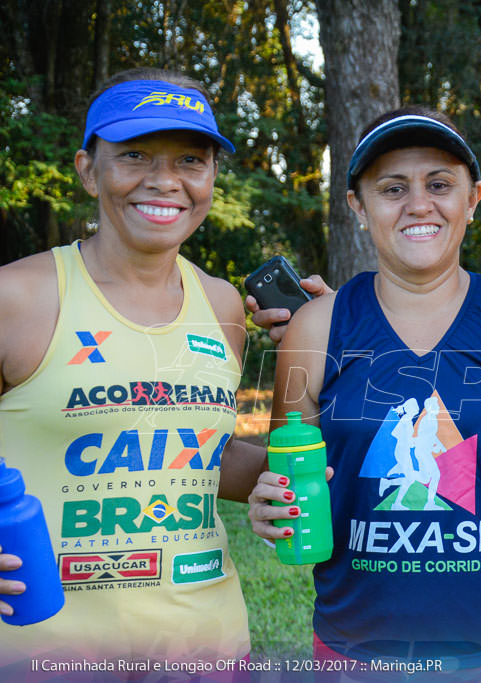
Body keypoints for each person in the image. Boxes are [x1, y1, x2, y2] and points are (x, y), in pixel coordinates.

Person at [247, 107, 481, 679]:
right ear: (357, 204)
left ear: (473, 199)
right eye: (393, 188)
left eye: (440, 185)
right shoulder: (317, 328)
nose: (419, 205)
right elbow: (293, 478)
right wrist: (273, 504)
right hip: (357, 651)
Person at [0, 68, 266, 673]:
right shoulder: (16, 297)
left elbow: (200, 456)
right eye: (135, 155)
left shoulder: (222, 304)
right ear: (89, 169)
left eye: (190, 161)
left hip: (208, 648)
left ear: (212, 178)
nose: (164, 181)